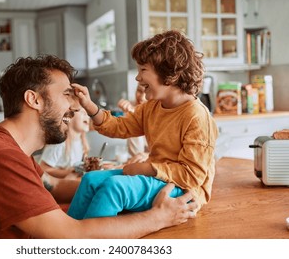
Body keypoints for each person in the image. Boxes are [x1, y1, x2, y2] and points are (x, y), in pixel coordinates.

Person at [0, 54, 197, 239]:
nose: (75, 107)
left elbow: (54, 186)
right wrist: (158, 217)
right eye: (66, 95)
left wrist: (122, 181)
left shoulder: (3, 145)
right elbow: (72, 237)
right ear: (33, 100)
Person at [69, 30, 218, 220]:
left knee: (115, 187)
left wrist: (146, 168)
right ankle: (67, 237)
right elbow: (119, 127)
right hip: (157, 178)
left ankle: (91, 244)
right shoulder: (151, 107)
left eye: (143, 70)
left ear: (169, 75)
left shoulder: (196, 116)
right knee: (90, 180)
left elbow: (192, 174)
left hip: (184, 190)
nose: (137, 78)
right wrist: (90, 106)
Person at [39, 107, 90, 178]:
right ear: (70, 116)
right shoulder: (59, 143)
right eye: (83, 112)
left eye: (88, 114)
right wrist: (68, 172)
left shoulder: (82, 143)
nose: (87, 116)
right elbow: (43, 168)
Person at [117, 84, 149, 164]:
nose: (141, 97)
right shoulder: (131, 107)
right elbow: (136, 153)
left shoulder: (161, 114)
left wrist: (149, 155)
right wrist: (132, 118)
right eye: (139, 90)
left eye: (147, 92)